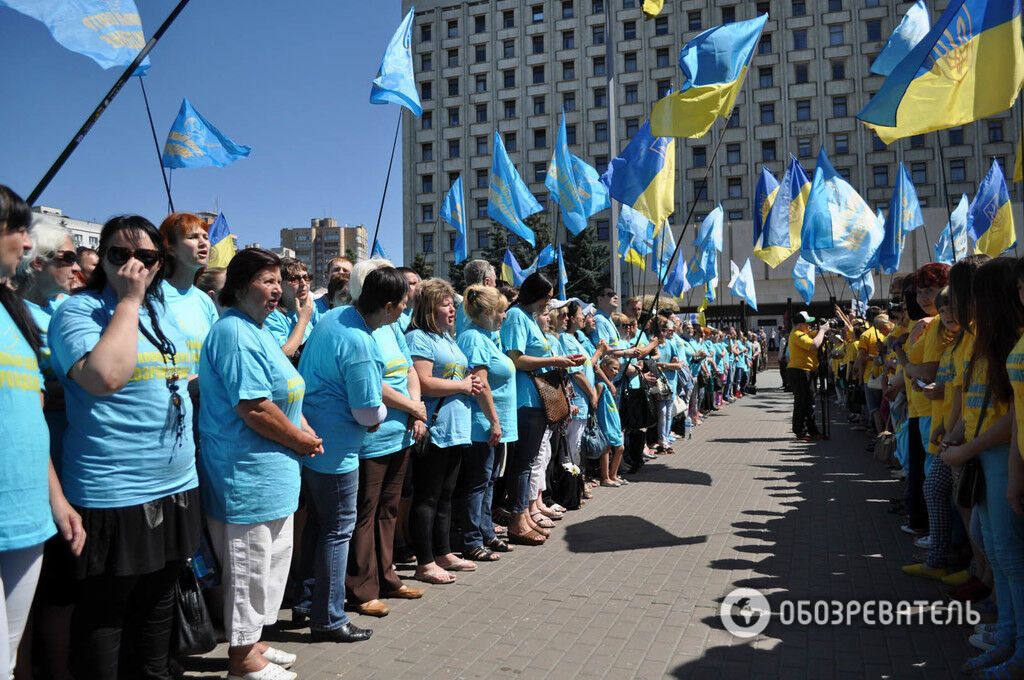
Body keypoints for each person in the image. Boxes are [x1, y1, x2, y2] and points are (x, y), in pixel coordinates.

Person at [49, 215, 201, 680]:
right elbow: (104, 378)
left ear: (160, 261)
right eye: (119, 254)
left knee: (158, 602)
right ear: (103, 261)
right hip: (112, 489)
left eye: (146, 256)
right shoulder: (78, 312)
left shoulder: (164, 311)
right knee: (106, 614)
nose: (133, 264)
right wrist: (130, 302)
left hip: (175, 482)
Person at [199, 248, 322, 679]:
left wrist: (303, 431)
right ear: (238, 285)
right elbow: (253, 407)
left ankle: (253, 641)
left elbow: (286, 393)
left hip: (275, 476)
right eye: (267, 281)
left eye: (278, 282)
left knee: (270, 568)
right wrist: (301, 440)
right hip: (245, 475)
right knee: (247, 570)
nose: (277, 290)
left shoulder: (260, 331)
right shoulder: (233, 333)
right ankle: (241, 661)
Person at [298, 265, 408, 641]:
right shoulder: (361, 342)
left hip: (316, 440)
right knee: (338, 531)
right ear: (390, 307)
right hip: (337, 451)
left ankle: (308, 603)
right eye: (402, 306)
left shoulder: (335, 317)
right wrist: (377, 415)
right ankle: (328, 618)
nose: (403, 314)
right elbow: (367, 410)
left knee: (321, 528)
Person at [0, 186, 83, 679]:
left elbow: (28, 414)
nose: (26, 244)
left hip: (27, 513)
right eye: (14, 229)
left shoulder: (15, 317)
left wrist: (55, 500)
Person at [941, 259, 1024, 676]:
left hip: (997, 455)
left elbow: (1014, 416)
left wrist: (967, 446)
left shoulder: (1011, 340)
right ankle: (1008, 637)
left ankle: (1017, 648)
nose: (965, 305)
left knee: (1009, 555)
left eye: (974, 296)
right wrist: (958, 436)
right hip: (992, 457)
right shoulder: (984, 340)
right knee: (998, 550)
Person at [345, 259, 427, 619]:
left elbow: (408, 367)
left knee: (389, 510)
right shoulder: (361, 327)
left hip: (401, 432)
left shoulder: (392, 326)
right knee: (366, 513)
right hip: (370, 438)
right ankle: (361, 589)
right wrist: (412, 405)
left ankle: (387, 576)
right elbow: (372, 383)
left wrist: (414, 408)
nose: (405, 301)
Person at [407, 278, 482, 581]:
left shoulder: (448, 339)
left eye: (452, 303)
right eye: (445, 303)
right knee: (427, 497)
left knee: (445, 496)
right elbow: (423, 382)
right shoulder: (419, 338)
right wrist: (463, 384)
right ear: (428, 307)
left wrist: (470, 384)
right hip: (434, 429)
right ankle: (424, 562)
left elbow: (455, 378)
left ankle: (443, 552)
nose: (452, 308)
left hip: (456, 428)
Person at [500, 273, 582, 545]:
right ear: (535, 294)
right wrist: (554, 358)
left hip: (538, 399)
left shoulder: (530, 319)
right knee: (523, 463)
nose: (549, 302)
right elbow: (516, 359)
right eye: (547, 297)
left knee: (530, 462)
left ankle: (523, 515)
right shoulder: (516, 317)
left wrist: (561, 360)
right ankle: (517, 518)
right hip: (526, 398)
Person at [455, 285, 517, 561]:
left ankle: (486, 530)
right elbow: (480, 384)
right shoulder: (473, 339)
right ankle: (471, 539)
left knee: (489, 480)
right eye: (502, 311)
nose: (504, 317)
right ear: (490, 312)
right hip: (480, 423)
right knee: (478, 483)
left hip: (491, 423)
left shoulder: (486, 337)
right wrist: (493, 421)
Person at [265, 257, 320, 362]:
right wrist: (302, 322)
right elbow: (283, 356)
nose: (303, 283)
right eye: (295, 279)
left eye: (307, 277)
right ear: (279, 284)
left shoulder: (304, 310)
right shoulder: (271, 315)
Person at [787, 311, 828, 441]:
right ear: (800, 324)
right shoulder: (797, 334)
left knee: (809, 403)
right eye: (807, 323)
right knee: (801, 402)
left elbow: (816, 336)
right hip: (799, 371)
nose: (810, 325)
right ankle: (800, 431)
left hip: (807, 371)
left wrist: (825, 330)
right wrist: (822, 331)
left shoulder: (804, 333)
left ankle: (812, 430)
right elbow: (814, 344)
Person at [455, 259, 496, 335]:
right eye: (495, 281)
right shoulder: (479, 307)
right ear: (487, 282)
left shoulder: (465, 305)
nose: (495, 286)